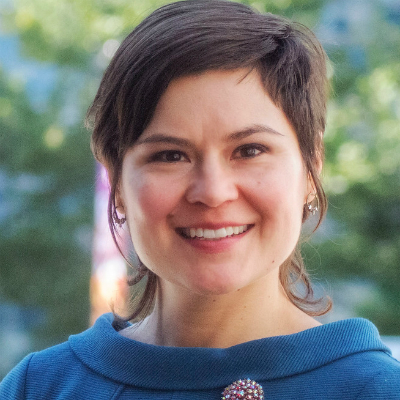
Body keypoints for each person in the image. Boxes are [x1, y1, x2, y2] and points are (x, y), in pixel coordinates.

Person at [1, 0, 399, 398]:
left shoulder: (375, 389)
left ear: (311, 168)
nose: (212, 192)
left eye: (249, 150)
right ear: (117, 183)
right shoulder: (40, 387)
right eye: (170, 156)